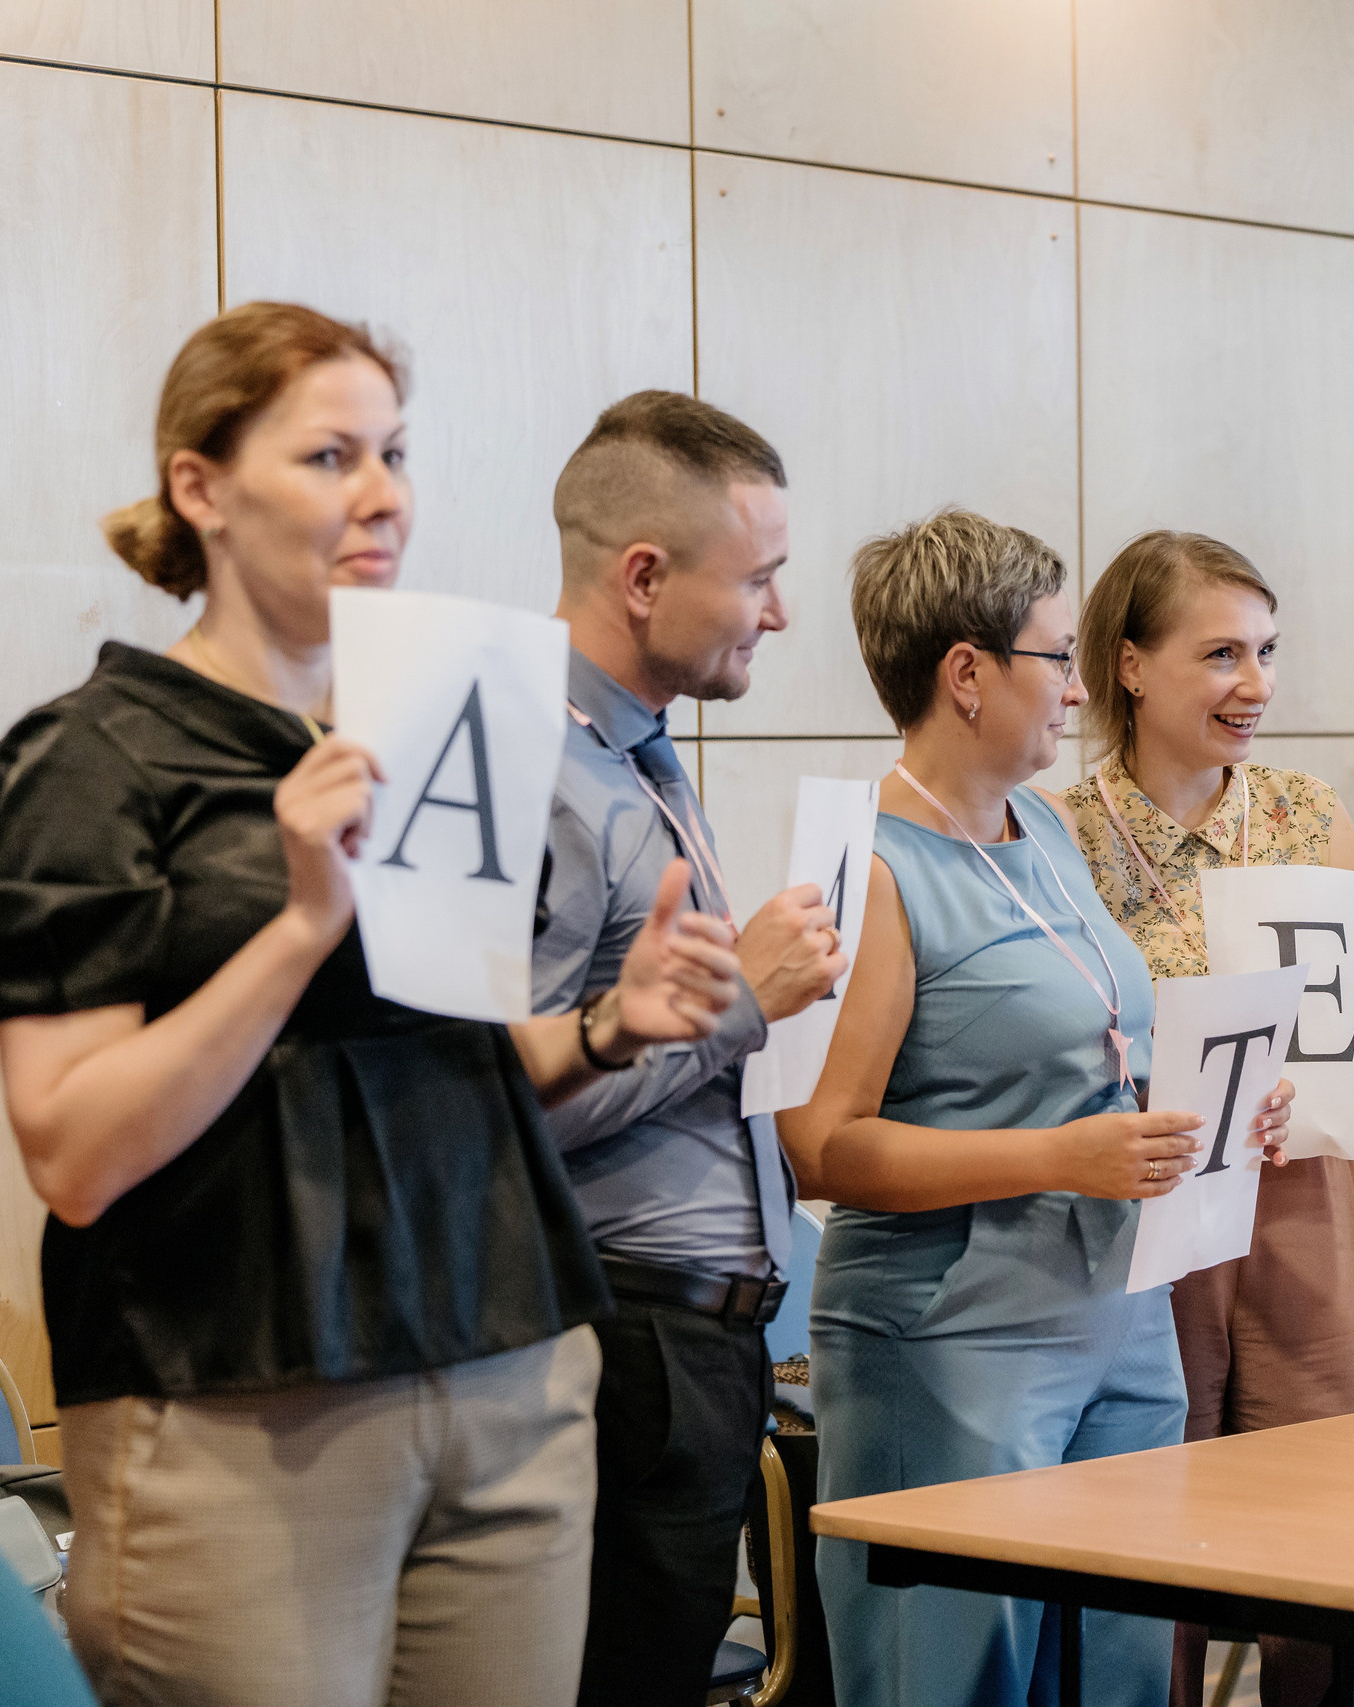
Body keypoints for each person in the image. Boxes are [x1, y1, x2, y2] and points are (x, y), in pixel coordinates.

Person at [0, 302, 744, 1707]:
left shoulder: (408, 726)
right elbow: (74, 1150)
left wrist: (608, 1024)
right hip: (248, 1398)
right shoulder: (90, 758)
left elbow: (418, 1070)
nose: (383, 491)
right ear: (199, 487)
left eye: (394, 451)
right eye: (331, 454)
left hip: (509, 1359)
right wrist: (298, 925)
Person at [775, 507, 1293, 1707]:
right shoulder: (871, 866)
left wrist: (1212, 1117)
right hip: (954, 1340)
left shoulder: (1045, 830)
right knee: (952, 1681)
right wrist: (1060, 1155)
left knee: (1113, 1675)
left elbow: (1089, 1057)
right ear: (967, 674)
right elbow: (820, 1147)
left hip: (1116, 1317)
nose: (1075, 689)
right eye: (1055, 658)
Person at [1063, 530, 1354, 1707]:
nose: (1257, 685)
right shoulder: (1056, 835)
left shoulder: (1306, 815)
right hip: (1142, 1220)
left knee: (1333, 1555)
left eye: (1266, 652)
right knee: (1146, 1553)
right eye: (1222, 654)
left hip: (1302, 1211)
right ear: (1128, 665)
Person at [532, 392, 848, 1707]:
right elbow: (499, 1110)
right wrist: (745, 1004)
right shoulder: (545, 777)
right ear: (646, 575)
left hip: (702, 1340)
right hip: (620, 1334)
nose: (778, 611)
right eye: (761, 578)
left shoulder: (644, 757)